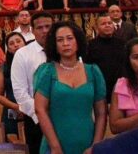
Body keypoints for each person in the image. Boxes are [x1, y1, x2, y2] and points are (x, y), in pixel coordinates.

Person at [34, 21, 107, 154]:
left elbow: (101, 113)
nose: (65, 43)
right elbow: (40, 110)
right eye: (60, 40)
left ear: (78, 41)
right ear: (54, 45)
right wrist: (55, 147)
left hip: (87, 144)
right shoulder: (47, 71)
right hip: (54, 145)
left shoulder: (93, 71)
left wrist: (96, 145)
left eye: (69, 38)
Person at [12, 11, 55, 154]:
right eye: (40, 27)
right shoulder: (22, 54)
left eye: (48, 26)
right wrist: (40, 114)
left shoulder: (67, 51)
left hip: (65, 116)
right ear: (32, 30)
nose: (45, 31)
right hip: (36, 120)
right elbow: (20, 93)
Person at [109, 38, 138, 134]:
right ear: (128, 60)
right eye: (136, 57)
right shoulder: (122, 86)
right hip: (132, 143)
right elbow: (115, 127)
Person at [85, 13, 126, 104]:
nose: (107, 25)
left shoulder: (122, 44)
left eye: (109, 23)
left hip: (120, 89)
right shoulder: (90, 45)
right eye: (103, 24)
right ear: (97, 27)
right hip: (99, 90)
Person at [0, 32, 27, 137]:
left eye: (18, 41)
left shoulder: (34, 62)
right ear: (8, 49)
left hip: (33, 109)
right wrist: (16, 107)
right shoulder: (3, 67)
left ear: (25, 43)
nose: (16, 45)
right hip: (11, 109)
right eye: (11, 43)